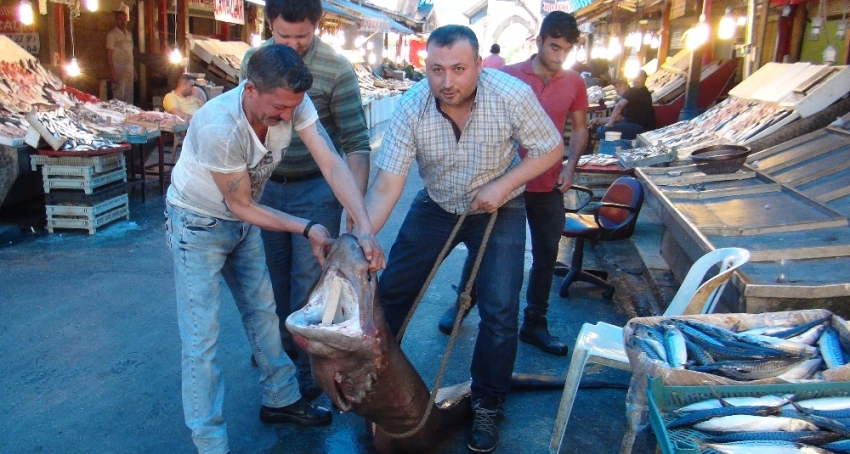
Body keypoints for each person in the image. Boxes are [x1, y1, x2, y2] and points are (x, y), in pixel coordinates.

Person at [164, 44, 384, 454]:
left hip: (242, 227)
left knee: (265, 315)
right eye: (279, 108)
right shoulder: (218, 126)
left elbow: (331, 163)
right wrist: (309, 228)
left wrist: (365, 228)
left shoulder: (294, 105)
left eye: (292, 108)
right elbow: (242, 204)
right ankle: (210, 441)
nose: (286, 117)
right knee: (201, 338)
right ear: (249, 89)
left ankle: (280, 400)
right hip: (198, 225)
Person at [361, 25, 563, 453]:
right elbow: (386, 186)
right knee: (393, 292)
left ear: (478, 66)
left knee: (501, 309)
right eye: (436, 69)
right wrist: (361, 238)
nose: (446, 82)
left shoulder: (510, 94)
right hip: (436, 204)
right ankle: (376, 393)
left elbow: (549, 148)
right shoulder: (411, 106)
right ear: (426, 66)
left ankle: (488, 402)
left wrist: (503, 184)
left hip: (500, 206)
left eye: (458, 69)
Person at [238, 0, 372, 400]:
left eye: (303, 37)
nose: (293, 46)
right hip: (266, 188)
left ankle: (307, 366)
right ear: (268, 25)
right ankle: (277, 349)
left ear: (318, 25)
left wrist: (355, 206)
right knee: (270, 280)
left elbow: (354, 143)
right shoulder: (254, 61)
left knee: (308, 284)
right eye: (283, 37)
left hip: (316, 190)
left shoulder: (337, 69)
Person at [437, 11, 588, 357]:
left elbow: (580, 128)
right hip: (504, 186)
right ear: (539, 42)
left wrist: (571, 166)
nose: (558, 55)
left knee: (546, 255)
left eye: (565, 49)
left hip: (548, 185)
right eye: (554, 47)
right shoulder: (505, 76)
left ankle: (535, 322)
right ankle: (462, 306)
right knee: (483, 250)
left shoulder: (574, 82)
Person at [592, 70, 656, 140]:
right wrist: (599, 120)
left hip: (640, 128)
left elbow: (619, 105)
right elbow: (619, 117)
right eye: (616, 87)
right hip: (644, 128)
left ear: (626, 85)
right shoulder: (643, 93)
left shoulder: (632, 91)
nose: (617, 89)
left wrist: (609, 124)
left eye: (620, 86)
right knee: (602, 129)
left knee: (602, 131)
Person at [105, 10, 137, 104]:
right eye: (120, 19)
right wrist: (112, 71)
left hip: (129, 70)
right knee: (118, 96)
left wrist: (134, 70)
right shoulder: (112, 35)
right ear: (116, 20)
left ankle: (130, 116)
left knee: (129, 95)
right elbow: (109, 54)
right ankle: (118, 116)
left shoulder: (129, 34)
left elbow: (130, 53)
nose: (123, 22)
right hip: (118, 70)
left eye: (124, 19)